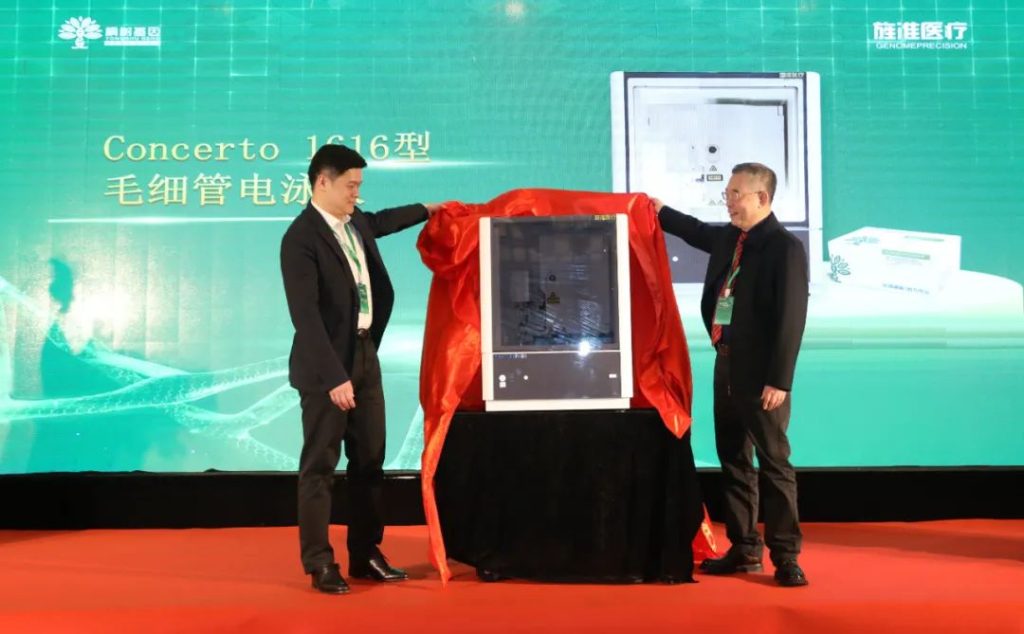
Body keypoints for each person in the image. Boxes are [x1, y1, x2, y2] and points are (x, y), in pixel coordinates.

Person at [280, 144, 439, 594]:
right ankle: (319, 562)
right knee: (320, 465)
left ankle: (366, 552)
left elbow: (385, 220)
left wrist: (430, 209)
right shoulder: (300, 238)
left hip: (365, 354)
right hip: (325, 365)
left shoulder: (356, 224)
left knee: (370, 459)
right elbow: (306, 317)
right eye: (350, 186)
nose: (357, 193)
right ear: (322, 182)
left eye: (359, 186)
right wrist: (335, 377)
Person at [654, 162, 809, 587]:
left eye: (736, 194)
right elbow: (693, 230)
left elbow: (791, 318)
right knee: (734, 459)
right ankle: (744, 548)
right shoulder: (730, 239)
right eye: (728, 193)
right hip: (726, 363)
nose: (729, 200)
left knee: (774, 462)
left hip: (762, 376)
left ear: (762, 197)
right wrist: (657, 210)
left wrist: (780, 379)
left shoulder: (784, 248)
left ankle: (786, 556)